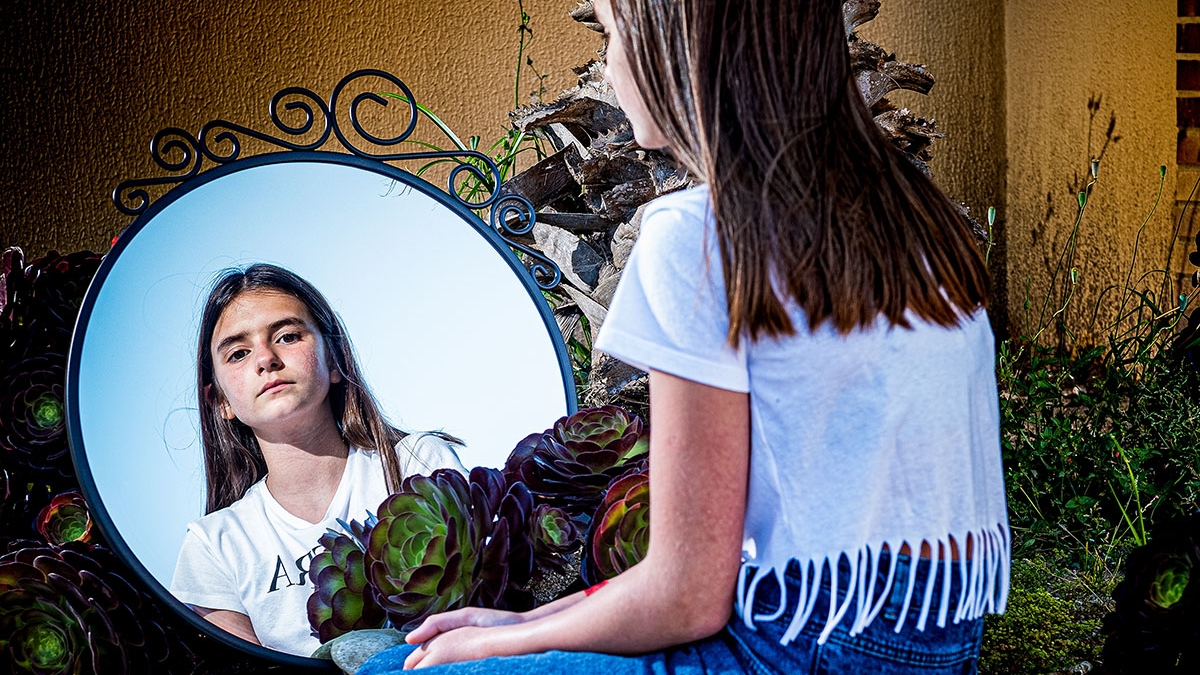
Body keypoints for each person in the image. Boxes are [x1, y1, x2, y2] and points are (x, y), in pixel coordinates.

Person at [360, 0, 1008, 672]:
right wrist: (531, 621)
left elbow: (688, 595)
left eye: (613, 33)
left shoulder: (699, 232)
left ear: (677, 43)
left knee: (389, 666)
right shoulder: (911, 215)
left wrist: (500, 640)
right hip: (934, 641)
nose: (609, 65)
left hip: (802, 639)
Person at [169, 263, 466, 656]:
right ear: (220, 401)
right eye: (238, 353)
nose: (266, 359)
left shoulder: (417, 463)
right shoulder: (213, 546)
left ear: (336, 359)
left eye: (288, 336)